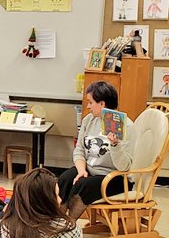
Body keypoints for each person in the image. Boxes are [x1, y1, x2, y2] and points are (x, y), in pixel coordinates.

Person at [57, 81, 134, 220]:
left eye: (90, 102)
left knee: (82, 186)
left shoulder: (126, 126)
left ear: (102, 104)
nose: (88, 106)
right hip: (90, 170)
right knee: (65, 179)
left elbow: (124, 167)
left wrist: (115, 145)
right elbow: (79, 149)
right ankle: (56, 221)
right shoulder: (89, 120)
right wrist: (81, 170)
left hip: (114, 178)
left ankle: (70, 225)